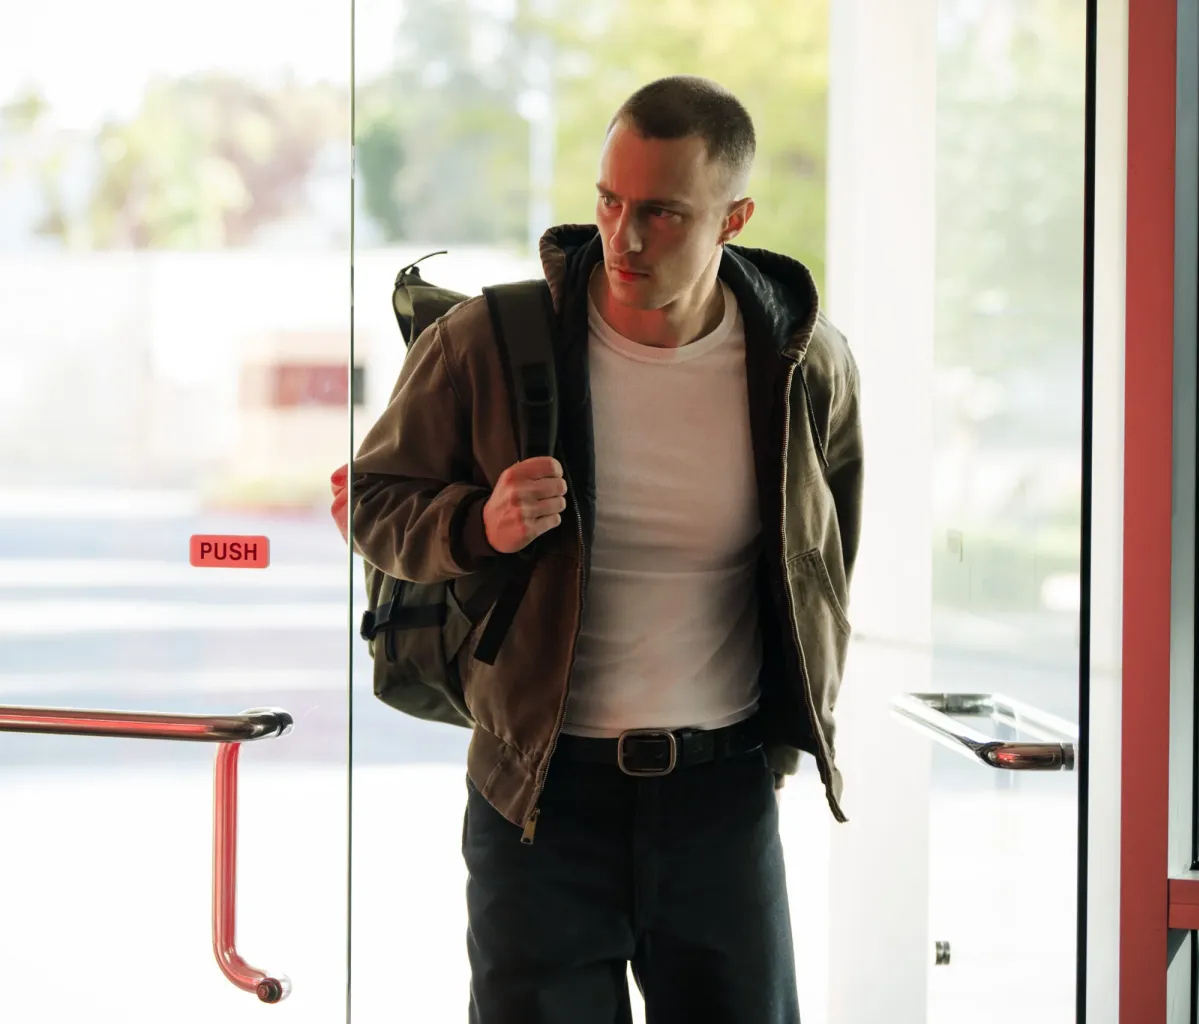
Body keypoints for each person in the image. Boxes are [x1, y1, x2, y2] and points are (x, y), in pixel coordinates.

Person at [336, 75, 863, 1023]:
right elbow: (372, 501)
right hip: (540, 808)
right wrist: (478, 525)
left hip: (722, 803)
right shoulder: (488, 342)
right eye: (610, 201)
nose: (625, 237)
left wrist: (788, 735)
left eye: (662, 213)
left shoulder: (801, 362)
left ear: (733, 218)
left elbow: (822, 558)